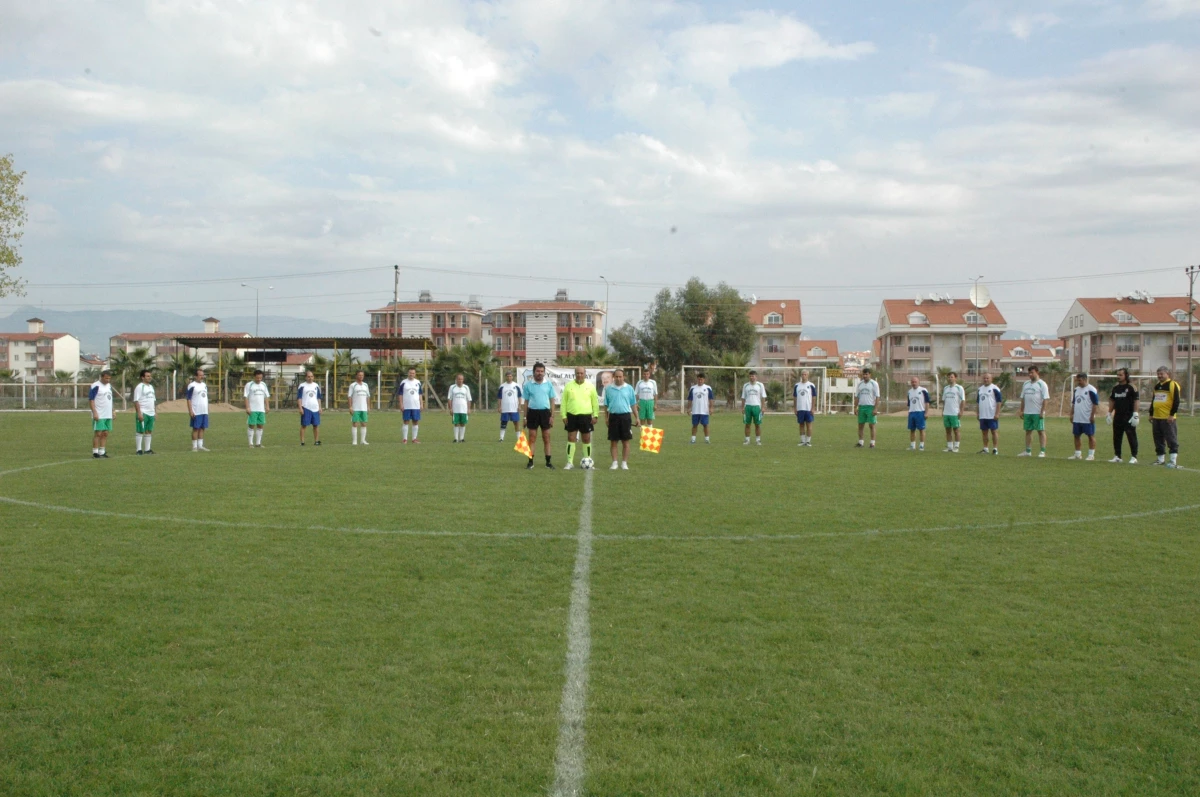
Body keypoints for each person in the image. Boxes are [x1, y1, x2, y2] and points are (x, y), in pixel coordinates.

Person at [561, 366, 599, 470]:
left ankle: (587, 460)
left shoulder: (590, 386)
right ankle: (569, 462)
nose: (579, 375)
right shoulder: (569, 386)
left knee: (586, 439)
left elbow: (595, 402)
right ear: (575, 374)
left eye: (581, 373)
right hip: (571, 415)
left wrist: (595, 415)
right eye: (578, 373)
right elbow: (564, 401)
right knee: (571, 438)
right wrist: (563, 415)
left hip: (586, 416)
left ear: (585, 374)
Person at [523, 362, 558, 469]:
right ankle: (530, 462)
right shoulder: (528, 385)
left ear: (544, 373)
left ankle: (548, 462)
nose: (540, 373)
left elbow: (552, 401)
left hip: (545, 413)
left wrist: (552, 416)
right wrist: (524, 417)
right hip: (532, 413)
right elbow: (526, 402)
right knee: (532, 438)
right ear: (534, 372)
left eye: (542, 371)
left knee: (546, 437)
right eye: (538, 371)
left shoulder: (548, 384)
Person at [604, 368, 637, 470]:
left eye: (620, 376)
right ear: (613, 377)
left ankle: (624, 463)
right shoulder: (608, 389)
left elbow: (633, 404)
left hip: (625, 417)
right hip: (613, 417)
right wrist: (606, 418)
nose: (618, 378)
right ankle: (614, 462)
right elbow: (606, 405)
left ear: (624, 377)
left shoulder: (629, 388)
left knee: (625, 441)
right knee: (613, 441)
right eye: (616, 376)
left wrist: (637, 417)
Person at [1150, 366, 1181, 468]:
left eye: (1161, 374)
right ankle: (1160, 459)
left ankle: (1173, 461)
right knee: (1158, 438)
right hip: (1156, 417)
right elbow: (1154, 400)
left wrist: (1172, 415)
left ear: (1167, 374)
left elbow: (1176, 401)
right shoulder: (1157, 386)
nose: (1159, 376)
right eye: (1158, 374)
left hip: (1167, 417)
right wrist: (1151, 413)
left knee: (1171, 438)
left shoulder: (1172, 384)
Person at [1107, 367, 1139, 464]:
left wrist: (1136, 414)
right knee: (1116, 436)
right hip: (1118, 416)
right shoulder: (1115, 388)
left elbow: (1136, 400)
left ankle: (1134, 456)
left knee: (1131, 436)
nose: (1118, 377)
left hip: (1129, 416)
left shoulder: (1131, 387)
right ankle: (1117, 456)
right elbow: (1112, 400)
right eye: (1117, 375)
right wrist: (1109, 413)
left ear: (1126, 376)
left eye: (1121, 375)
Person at [1018, 365, 1050, 458]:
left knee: (1040, 431)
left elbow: (1045, 399)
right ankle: (1028, 451)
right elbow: (1023, 398)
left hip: (1037, 412)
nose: (1030, 374)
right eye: (1029, 373)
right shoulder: (1026, 384)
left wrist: (1042, 412)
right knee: (1028, 431)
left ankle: (1042, 451)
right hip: (1028, 412)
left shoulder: (1042, 384)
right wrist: (1021, 410)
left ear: (1037, 372)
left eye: (1032, 372)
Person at [1069, 373, 1099, 460]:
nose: (1078, 382)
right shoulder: (1076, 390)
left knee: (1090, 435)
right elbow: (1074, 403)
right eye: (1077, 380)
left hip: (1087, 418)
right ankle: (1077, 454)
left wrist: (1092, 415)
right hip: (1077, 418)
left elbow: (1095, 404)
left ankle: (1091, 455)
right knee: (1076, 435)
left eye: (1080, 380)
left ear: (1085, 379)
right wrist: (1071, 414)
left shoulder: (1091, 389)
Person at [89, 369, 114, 458]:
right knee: (98, 433)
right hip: (99, 414)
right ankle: (95, 452)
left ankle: (102, 451)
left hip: (108, 414)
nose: (108, 380)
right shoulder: (95, 386)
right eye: (106, 378)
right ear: (102, 377)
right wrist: (94, 412)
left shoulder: (109, 386)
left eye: (109, 379)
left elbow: (110, 399)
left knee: (105, 433)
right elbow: (91, 400)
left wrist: (113, 411)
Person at [854, 367, 881, 448]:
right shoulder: (860, 384)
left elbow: (877, 396)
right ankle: (861, 442)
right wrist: (855, 407)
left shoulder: (874, 384)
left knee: (871, 425)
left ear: (870, 375)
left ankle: (872, 443)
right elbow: (857, 396)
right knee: (860, 425)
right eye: (864, 374)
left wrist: (876, 408)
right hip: (862, 407)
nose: (865, 376)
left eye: (866, 374)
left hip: (870, 407)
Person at [977, 372, 1002, 455]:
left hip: (992, 414)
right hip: (983, 415)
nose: (986, 380)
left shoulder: (995, 388)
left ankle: (995, 449)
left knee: (994, 431)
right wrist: (978, 413)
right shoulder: (980, 389)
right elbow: (978, 402)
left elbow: (999, 402)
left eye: (987, 378)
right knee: (984, 432)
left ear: (991, 379)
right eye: (984, 378)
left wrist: (997, 413)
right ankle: (985, 448)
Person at [244, 369, 270, 448]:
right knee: (251, 425)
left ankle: (258, 443)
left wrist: (267, 406)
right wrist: (248, 407)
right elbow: (246, 396)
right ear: (254, 377)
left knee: (260, 425)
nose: (259, 379)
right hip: (253, 409)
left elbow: (266, 396)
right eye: (257, 378)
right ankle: (250, 443)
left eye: (260, 378)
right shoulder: (249, 385)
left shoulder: (263, 385)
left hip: (261, 409)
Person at [132, 368, 156, 455]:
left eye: (150, 376)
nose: (150, 377)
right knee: (140, 430)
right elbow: (136, 401)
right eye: (147, 376)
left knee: (149, 430)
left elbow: (153, 400)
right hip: (143, 412)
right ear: (142, 377)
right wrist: (139, 413)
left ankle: (147, 449)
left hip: (151, 412)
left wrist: (155, 411)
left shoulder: (151, 387)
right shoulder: (139, 387)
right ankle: (138, 450)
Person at [397, 367, 424, 444]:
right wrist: (401, 404)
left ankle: (414, 439)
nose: (411, 374)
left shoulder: (418, 382)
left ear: (415, 374)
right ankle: (405, 439)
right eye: (410, 373)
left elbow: (420, 394)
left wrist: (421, 404)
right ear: (408, 373)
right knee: (406, 421)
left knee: (415, 421)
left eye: (413, 373)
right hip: (406, 405)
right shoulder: (403, 382)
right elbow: (400, 394)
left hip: (416, 406)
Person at [186, 368, 210, 452]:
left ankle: (200, 445)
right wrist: (190, 411)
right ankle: (194, 446)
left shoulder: (204, 385)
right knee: (196, 428)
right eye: (200, 375)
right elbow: (188, 399)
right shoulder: (192, 385)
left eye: (203, 375)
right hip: (196, 410)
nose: (202, 377)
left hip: (204, 411)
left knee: (203, 428)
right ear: (196, 376)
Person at [941, 371, 965, 452]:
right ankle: (949, 447)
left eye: (951, 377)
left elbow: (963, 400)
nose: (950, 378)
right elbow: (944, 400)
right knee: (947, 430)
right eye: (948, 377)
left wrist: (961, 411)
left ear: (955, 378)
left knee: (956, 430)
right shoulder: (946, 388)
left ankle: (956, 447)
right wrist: (943, 411)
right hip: (946, 413)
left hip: (955, 413)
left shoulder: (959, 388)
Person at [741, 370, 767, 445]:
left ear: (756, 377)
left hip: (757, 407)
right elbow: (743, 397)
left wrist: (763, 407)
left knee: (757, 424)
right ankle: (747, 440)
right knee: (747, 424)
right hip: (748, 406)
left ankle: (758, 440)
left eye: (753, 376)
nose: (751, 377)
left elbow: (763, 397)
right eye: (750, 376)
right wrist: (742, 407)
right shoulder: (745, 385)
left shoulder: (760, 385)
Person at [297, 370, 323, 446]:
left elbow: (318, 398)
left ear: (313, 377)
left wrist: (320, 407)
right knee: (304, 425)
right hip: (306, 407)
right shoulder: (302, 386)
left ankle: (316, 441)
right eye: (308, 376)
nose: (310, 378)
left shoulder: (316, 386)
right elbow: (299, 398)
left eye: (311, 376)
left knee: (316, 425)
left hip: (315, 408)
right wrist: (300, 408)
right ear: (306, 377)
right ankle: (302, 442)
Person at [688, 373, 714, 443]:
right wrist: (689, 408)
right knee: (694, 425)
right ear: (697, 379)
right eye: (699, 379)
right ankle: (693, 439)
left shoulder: (708, 388)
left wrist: (711, 408)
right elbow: (690, 399)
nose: (700, 381)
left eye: (701, 379)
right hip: (695, 410)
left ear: (704, 380)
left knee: (705, 425)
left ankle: (707, 440)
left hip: (704, 410)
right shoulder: (693, 388)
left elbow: (711, 399)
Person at [906, 376, 931, 451]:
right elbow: (909, 404)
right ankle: (912, 446)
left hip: (920, 412)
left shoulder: (923, 390)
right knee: (912, 430)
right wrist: (909, 412)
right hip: (912, 412)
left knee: (921, 429)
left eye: (915, 382)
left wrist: (926, 412)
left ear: (918, 382)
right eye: (912, 382)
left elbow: (927, 402)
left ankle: (921, 446)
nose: (914, 383)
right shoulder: (909, 392)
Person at [793, 369, 817, 447]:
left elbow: (814, 397)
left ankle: (808, 441)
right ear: (801, 375)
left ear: (808, 375)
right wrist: (795, 408)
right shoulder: (797, 385)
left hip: (808, 408)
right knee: (801, 425)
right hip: (800, 408)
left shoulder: (811, 385)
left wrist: (813, 408)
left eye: (805, 374)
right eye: (802, 374)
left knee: (809, 425)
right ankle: (803, 441)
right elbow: (795, 397)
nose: (804, 376)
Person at [497, 372, 522, 441]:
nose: (509, 377)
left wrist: (519, 406)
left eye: (510, 376)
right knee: (503, 422)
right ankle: (501, 438)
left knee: (516, 423)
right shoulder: (502, 386)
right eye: (507, 376)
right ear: (505, 377)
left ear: (512, 377)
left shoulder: (516, 386)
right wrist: (499, 407)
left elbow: (519, 397)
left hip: (514, 408)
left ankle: (518, 438)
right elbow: (499, 398)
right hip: (505, 408)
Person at [348, 370, 371, 445]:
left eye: (362, 375)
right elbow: (349, 396)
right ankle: (354, 441)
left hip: (363, 408)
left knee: (364, 423)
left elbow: (368, 396)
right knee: (355, 423)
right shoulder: (353, 385)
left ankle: (363, 440)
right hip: (356, 408)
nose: (361, 376)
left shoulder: (365, 385)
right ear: (356, 376)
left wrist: (368, 406)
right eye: (359, 375)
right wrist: (350, 407)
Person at [448, 373, 473, 443]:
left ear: (463, 380)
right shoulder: (452, 387)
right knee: (456, 423)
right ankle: (456, 438)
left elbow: (469, 399)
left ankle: (462, 438)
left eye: (461, 379)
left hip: (464, 409)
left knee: (463, 423)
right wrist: (450, 408)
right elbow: (449, 398)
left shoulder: (466, 387)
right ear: (456, 379)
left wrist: (469, 409)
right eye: (459, 379)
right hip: (455, 409)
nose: (460, 380)